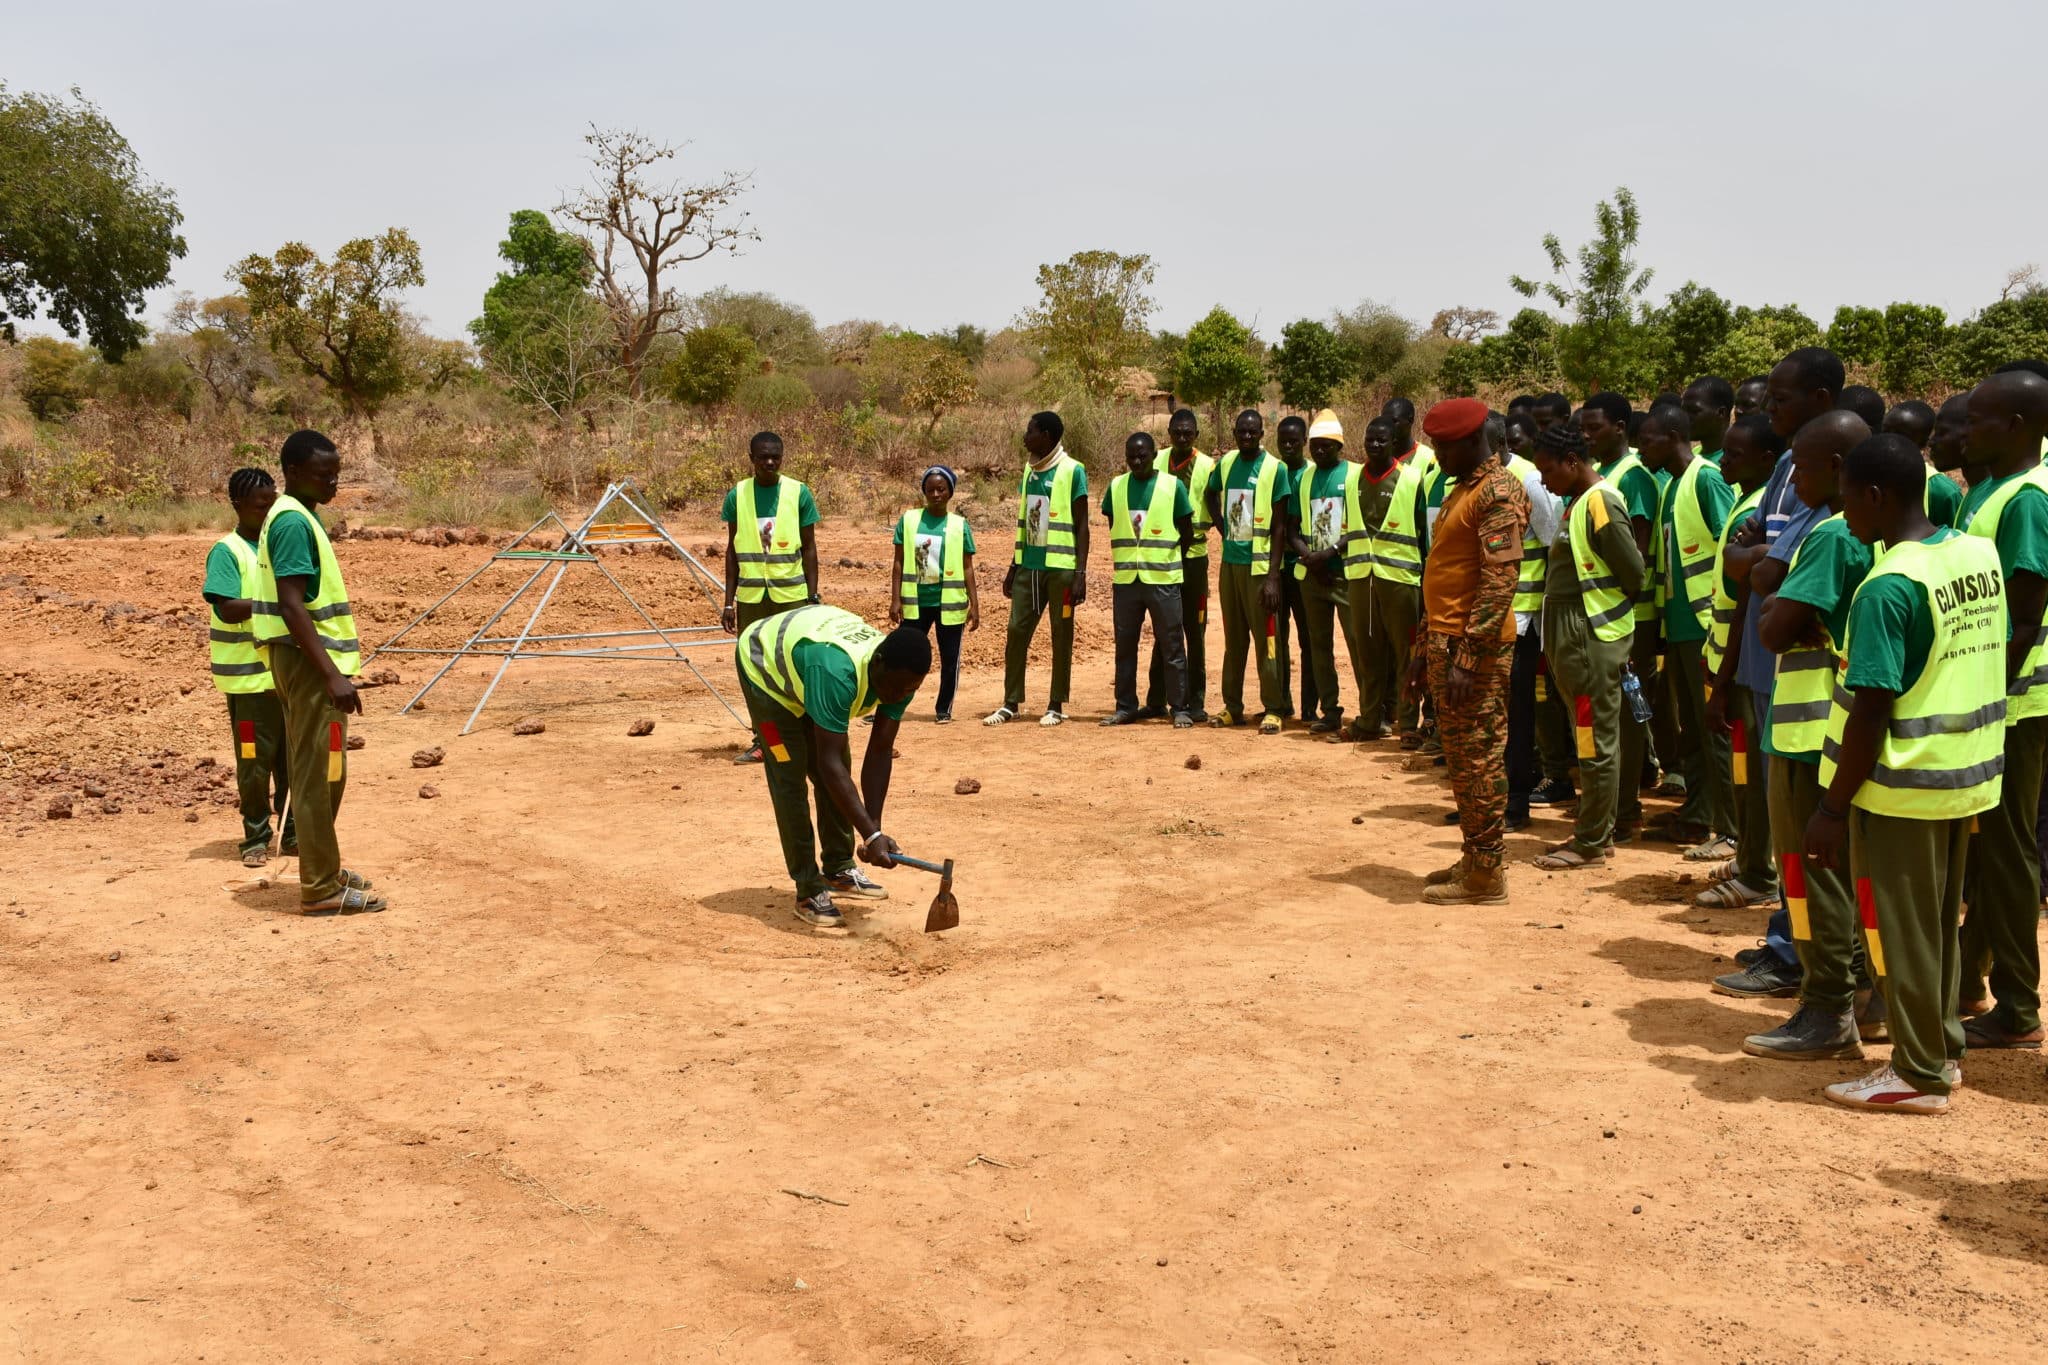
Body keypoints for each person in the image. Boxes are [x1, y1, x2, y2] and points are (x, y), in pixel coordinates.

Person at [1806, 434, 2008, 1112]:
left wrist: (1832, 808)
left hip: (1904, 785)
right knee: (1939, 925)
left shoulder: (1888, 585)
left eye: (1848, 503)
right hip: (1966, 772)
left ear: (1875, 496)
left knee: (1902, 931)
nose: (1845, 519)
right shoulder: (1974, 552)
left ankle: (1917, 1071)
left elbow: (1870, 707)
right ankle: (1941, 1049)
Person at [1711, 347, 1848, 1000]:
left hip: (1808, 686)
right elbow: (1753, 557)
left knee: (1804, 839)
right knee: (1781, 823)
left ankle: (1800, 956)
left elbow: (1765, 565)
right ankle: (1787, 937)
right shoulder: (1794, 461)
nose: (1770, 410)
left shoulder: (1823, 471)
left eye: (1781, 398)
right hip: (1771, 674)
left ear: (1822, 397)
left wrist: (1755, 554)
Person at [1745, 410, 1877, 1060]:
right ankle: (1864, 996)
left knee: (1806, 872)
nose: (1792, 476)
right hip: (1838, 726)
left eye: (1802, 462)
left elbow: (1773, 625)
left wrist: (1778, 606)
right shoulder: (1874, 528)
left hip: (1806, 732)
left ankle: (1826, 1006)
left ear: (1836, 466)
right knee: (1847, 875)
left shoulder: (1829, 536)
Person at [250, 430, 382, 914]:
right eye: (324, 474)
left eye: (337, 474)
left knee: (328, 770)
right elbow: (291, 605)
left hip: (306, 661)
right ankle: (321, 887)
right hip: (307, 663)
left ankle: (322, 866)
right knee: (314, 772)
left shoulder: (299, 516)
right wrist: (330, 674)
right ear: (294, 473)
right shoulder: (290, 522)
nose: (334, 483)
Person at [735, 605, 931, 928]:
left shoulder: (903, 676)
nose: (898, 696)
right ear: (878, 662)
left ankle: (839, 866)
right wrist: (871, 833)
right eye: (896, 688)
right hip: (764, 675)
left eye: (908, 690)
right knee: (789, 777)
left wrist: (873, 831)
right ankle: (808, 889)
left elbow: (880, 750)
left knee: (839, 766)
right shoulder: (837, 673)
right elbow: (828, 765)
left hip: (808, 671)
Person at [1955, 368, 2048, 1050]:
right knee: (1996, 849)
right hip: (2012, 698)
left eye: (1980, 419)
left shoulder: (2025, 500)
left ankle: (2018, 1002)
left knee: (2010, 850)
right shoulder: (2002, 491)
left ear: (2016, 427)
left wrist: (1985, 697)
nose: (1966, 430)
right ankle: (1970, 972)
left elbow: (2021, 617)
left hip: (2018, 700)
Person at [1413, 398, 1529, 904]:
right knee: (1460, 759)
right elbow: (1444, 574)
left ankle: (1487, 872)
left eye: (1442, 446)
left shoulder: (1499, 493)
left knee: (1479, 759)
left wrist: (1467, 658)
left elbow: (1498, 583)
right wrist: (1423, 649)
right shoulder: (1465, 488)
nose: (1436, 454)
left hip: (1472, 649)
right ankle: (1474, 855)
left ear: (1471, 441)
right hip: (1447, 640)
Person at [1529, 421, 1646, 870]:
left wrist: (1606, 629)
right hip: (1572, 633)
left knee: (1594, 739)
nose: (1543, 480)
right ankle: (1596, 830)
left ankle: (1592, 841)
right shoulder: (1575, 503)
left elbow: (1632, 574)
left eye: (1549, 469)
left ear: (1573, 462)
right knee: (1588, 738)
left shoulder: (1600, 502)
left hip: (1590, 635)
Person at [1696, 413, 1785, 911]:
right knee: (1746, 771)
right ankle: (1751, 854)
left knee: (1755, 774)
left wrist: (1725, 674)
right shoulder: (1744, 502)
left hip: (1752, 658)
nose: (1723, 460)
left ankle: (1758, 867)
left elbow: (1750, 583)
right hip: (1736, 655)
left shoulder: (1762, 507)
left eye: (1734, 454)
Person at [1640, 402, 1736, 853]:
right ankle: (1698, 815)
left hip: (1705, 626)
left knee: (1714, 729)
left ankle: (1730, 829)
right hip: (1678, 627)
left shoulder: (1705, 478)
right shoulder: (1671, 487)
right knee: (1691, 733)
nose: (1642, 450)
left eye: (1649, 441)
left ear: (1674, 436)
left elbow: (1732, 544)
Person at [1579, 392, 1662, 840]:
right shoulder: (1603, 475)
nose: (1588, 436)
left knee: (1628, 714)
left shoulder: (1633, 476)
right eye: (1584, 430)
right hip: (1607, 617)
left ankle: (1626, 808)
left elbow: (1639, 554)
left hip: (1632, 617)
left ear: (1620, 427)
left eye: (1596, 428)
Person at [204, 467, 294, 869]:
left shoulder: (280, 547)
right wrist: (279, 610)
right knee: (254, 763)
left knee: (292, 762)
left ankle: (293, 833)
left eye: (272, 504)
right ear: (238, 506)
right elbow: (226, 607)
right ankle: (256, 836)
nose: (268, 512)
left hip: (285, 676)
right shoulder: (228, 551)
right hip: (247, 681)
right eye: (260, 506)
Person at [722, 431, 822, 764]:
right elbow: (732, 551)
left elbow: (809, 548)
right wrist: (728, 602)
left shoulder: (798, 493)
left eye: (775, 457)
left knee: (794, 666)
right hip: (752, 599)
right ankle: (765, 741)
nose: (769, 462)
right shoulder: (738, 495)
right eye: (763, 457)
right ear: (750, 457)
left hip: (791, 597)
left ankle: (805, 737)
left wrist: (811, 595)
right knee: (754, 669)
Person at [987, 412, 1089, 727]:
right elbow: (1025, 523)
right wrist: (1013, 565)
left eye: (1029, 431)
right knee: (1017, 632)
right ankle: (1011, 702)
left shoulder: (1074, 470)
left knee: (1061, 634)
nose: (1024, 435)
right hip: (1028, 566)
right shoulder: (1029, 473)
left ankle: (1056, 704)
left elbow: (1083, 525)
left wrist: (1081, 573)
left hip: (1061, 568)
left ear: (1045, 435)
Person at [1100, 432, 1194, 728]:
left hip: (1163, 578)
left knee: (1172, 645)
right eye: (1131, 456)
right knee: (1125, 646)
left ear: (1155, 455)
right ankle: (1125, 706)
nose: (1137, 461)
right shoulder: (1115, 487)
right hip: (1127, 580)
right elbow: (1116, 525)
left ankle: (1179, 707)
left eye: (1142, 455)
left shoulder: (1172, 486)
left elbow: (1186, 531)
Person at [1208, 409, 1292, 733]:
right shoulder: (1227, 464)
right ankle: (1232, 706)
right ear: (1234, 432)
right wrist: (1219, 522)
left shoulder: (1275, 469)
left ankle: (1273, 708)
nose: (1246, 437)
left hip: (1260, 571)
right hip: (1230, 565)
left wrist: (1273, 576)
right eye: (1241, 432)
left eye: (1252, 432)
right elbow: (1209, 492)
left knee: (1268, 638)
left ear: (1261, 434)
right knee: (1234, 640)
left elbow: (1281, 527)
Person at [1498, 412, 1564, 830]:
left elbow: (1554, 538)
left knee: (1520, 713)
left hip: (1525, 620)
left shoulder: (1528, 480)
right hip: (1496, 617)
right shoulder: (1479, 481)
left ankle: (1517, 801)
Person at [1509, 412, 1577, 808]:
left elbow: (1556, 546)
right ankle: (1545, 767)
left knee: (1546, 698)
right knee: (1533, 699)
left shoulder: (1532, 482)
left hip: (1539, 612)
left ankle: (1557, 772)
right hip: (1524, 614)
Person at [1349, 416, 1429, 741]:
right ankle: (1369, 720)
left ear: (1394, 442)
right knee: (1367, 653)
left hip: (1401, 579)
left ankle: (1407, 725)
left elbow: (1423, 534)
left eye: (1382, 440)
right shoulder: (1353, 478)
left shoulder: (1411, 480)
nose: (1375, 445)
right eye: (1370, 439)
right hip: (1360, 578)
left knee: (1405, 653)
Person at [1289, 410, 1364, 735]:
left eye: (1326, 446)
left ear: (1339, 446)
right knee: (1319, 648)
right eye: (1315, 446)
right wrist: (1310, 558)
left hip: (1345, 574)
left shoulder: (1354, 476)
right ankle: (1330, 710)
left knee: (1358, 646)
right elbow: (1292, 528)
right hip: (1313, 578)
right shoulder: (1302, 478)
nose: (1319, 451)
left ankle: (1372, 713)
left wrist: (1329, 554)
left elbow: (1360, 527)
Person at [887, 465, 977, 723]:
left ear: (950, 493)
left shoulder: (960, 525)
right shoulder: (910, 520)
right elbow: (898, 563)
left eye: (941, 489)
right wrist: (895, 599)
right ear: (923, 492)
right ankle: (892, 706)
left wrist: (975, 604)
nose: (936, 494)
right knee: (905, 657)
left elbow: (968, 567)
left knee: (950, 659)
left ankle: (943, 709)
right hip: (916, 603)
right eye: (930, 490)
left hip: (949, 603)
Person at [1148, 408, 1215, 721]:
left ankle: (1195, 701)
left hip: (1194, 559)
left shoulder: (1207, 467)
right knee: (1164, 629)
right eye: (1178, 433)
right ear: (1169, 434)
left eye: (1189, 433)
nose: (1183, 438)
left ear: (1197, 435)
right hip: (1163, 558)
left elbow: (1215, 509)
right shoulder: (1157, 460)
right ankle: (1156, 698)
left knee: (1194, 629)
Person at [1272, 415, 1324, 727]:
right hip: (1277, 565)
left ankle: (1310, 707)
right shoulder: (1274, 471)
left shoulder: (1311, 474)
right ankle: (1281, 703)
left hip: (1306, 565)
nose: (1288, 446)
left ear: (1304, 441)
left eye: (1294, 440)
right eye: (1283, 441)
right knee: (1278, 638)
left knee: (1309, 639)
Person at [1681, 375, 1735, 467]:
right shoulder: (1694, 454)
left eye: (1694, 411)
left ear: (1721, 413)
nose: (1684, 417)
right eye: (1683, 410)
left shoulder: (1733, 463)